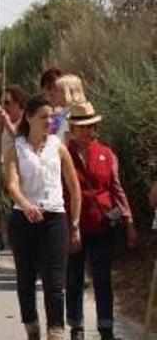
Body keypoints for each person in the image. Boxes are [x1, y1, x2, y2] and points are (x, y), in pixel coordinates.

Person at [4, 95, 82, 340]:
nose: (49, 121)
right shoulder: (15, 149)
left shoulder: (58, 147)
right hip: (24, 220)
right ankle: (32, 329)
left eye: (51, 117)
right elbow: (12, 185)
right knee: (25, 280)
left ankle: (56, 332)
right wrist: (26, 205)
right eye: (43, 117)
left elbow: (73, 186)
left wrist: (76, 223)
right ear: (29, 118)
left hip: (54, 219)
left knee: (55, 283)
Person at [65, 102, 135, 340]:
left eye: (90, 127)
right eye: (81, 127)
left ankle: (106, 327)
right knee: (73, 277)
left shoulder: (107, 153)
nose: (86, 132)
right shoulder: (63, 153)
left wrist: (129, 221)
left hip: (102, 224)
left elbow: (116, 189)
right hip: (72, 224)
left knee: (103, 278)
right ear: (72, 128)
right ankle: (76, 326)